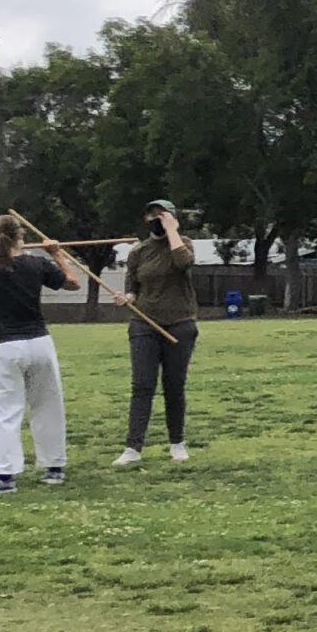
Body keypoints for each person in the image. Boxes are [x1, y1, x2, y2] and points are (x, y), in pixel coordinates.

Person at [0, 216, 83, 494]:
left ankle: (4, 476)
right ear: (21, 237)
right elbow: (73, 283)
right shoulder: (36, 263)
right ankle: (54, 469)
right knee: (48, 404)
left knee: (5, 411)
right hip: (40, 343)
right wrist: (57, 254)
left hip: (4, 348)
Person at [111, 199, 198, 466]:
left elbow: (183, 263)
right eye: (152, 215)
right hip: (144, 324)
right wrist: (127, 297)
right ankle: (133, 447)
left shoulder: (183, 243)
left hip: (180, 324)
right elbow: (132, 286)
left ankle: (177, 443)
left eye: (162, 215)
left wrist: (172, 232)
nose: (156, 219)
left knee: (174, 386)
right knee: (142, 386)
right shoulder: (139, 252)